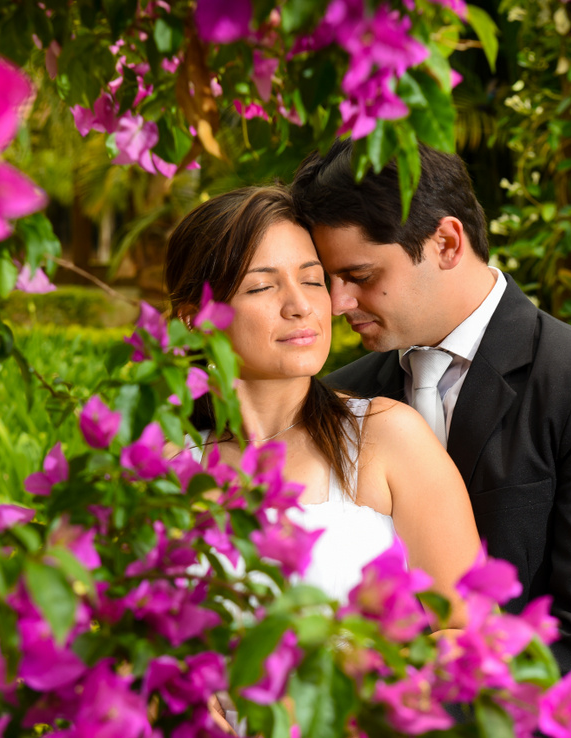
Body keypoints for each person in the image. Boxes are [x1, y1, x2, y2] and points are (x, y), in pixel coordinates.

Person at [291, 141, 571, 738]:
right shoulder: (341, 400)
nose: (340, 301)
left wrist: (393, 724)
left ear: (445, 242)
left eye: (359, 273)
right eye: (331, 278)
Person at [164, 184, 480, 622]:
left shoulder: (387, 438)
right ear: (194, 320)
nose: (301, 306)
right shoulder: (165, 467)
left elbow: (472, 634)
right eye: (261, 287)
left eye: (313, 280)